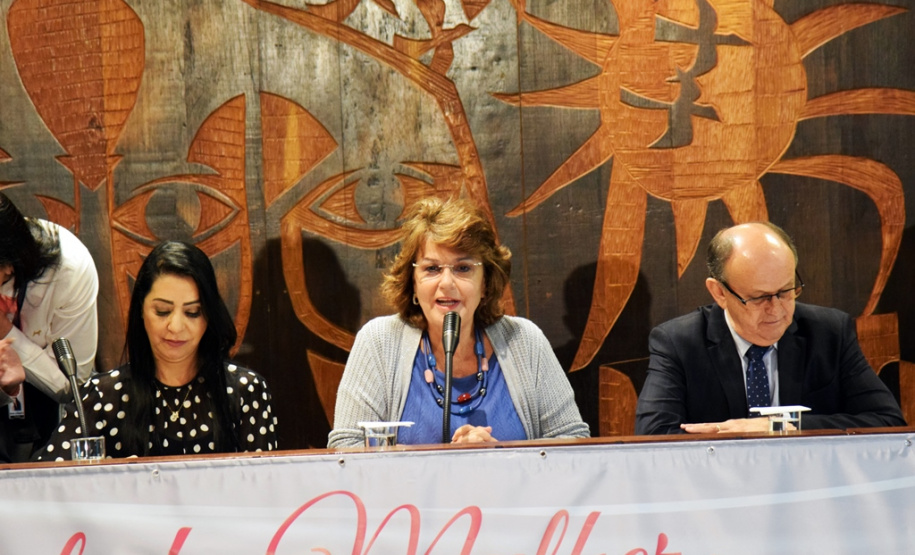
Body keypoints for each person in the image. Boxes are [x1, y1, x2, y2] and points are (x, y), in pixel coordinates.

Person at [328, 196, 589, 447]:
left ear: (485, 283)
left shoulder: (524, 341)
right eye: (432, 268)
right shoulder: (379, 343)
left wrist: (500, 456)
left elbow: (573, 442)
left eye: (463, 268)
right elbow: (345, 448)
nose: (447, 283)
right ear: (413, 281)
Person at [635, 221, 906, 435]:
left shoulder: (829, 332)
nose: (776, 309)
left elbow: (887, 422)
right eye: (758, 297)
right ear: (719, 293)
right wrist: (729, 433)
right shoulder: (679, 343)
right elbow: (653, 437)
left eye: (786, 291)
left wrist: (779, 427)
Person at [36, 240, 277, 460]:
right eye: (162, 311)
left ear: (209, 316)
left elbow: (266, 490)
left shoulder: (245, 391)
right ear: (141, 310)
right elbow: (44, 483)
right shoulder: (102, 396)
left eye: (192, 312)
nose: (176, 326)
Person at [0, 192, 98, 462]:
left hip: (54, 429)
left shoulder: (68, 269)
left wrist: (7, 333)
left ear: (8, 267)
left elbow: (75, 385)